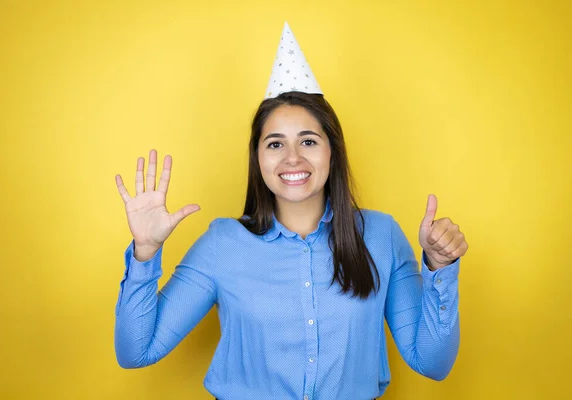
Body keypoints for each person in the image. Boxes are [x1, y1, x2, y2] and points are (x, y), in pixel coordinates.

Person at [114, 23, 467, 400]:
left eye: (309, 141)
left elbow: (432, 363)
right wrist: (145, 254)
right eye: (275, 144)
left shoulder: (381, 236)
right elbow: (137, 352)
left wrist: (439, 268)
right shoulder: (222, 243)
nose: (292, 158)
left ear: (333, 151)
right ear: (258, 158)